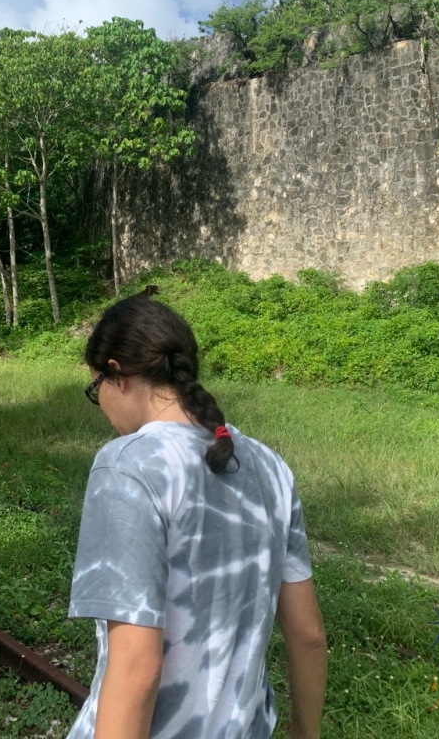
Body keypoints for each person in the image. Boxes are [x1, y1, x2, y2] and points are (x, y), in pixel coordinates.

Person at [67, 296, 327, 739]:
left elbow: (136, 666)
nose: (102, 407)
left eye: (96, 389)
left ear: (117, 375)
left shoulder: (128, 465)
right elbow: (307, 635)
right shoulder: (270, 466)